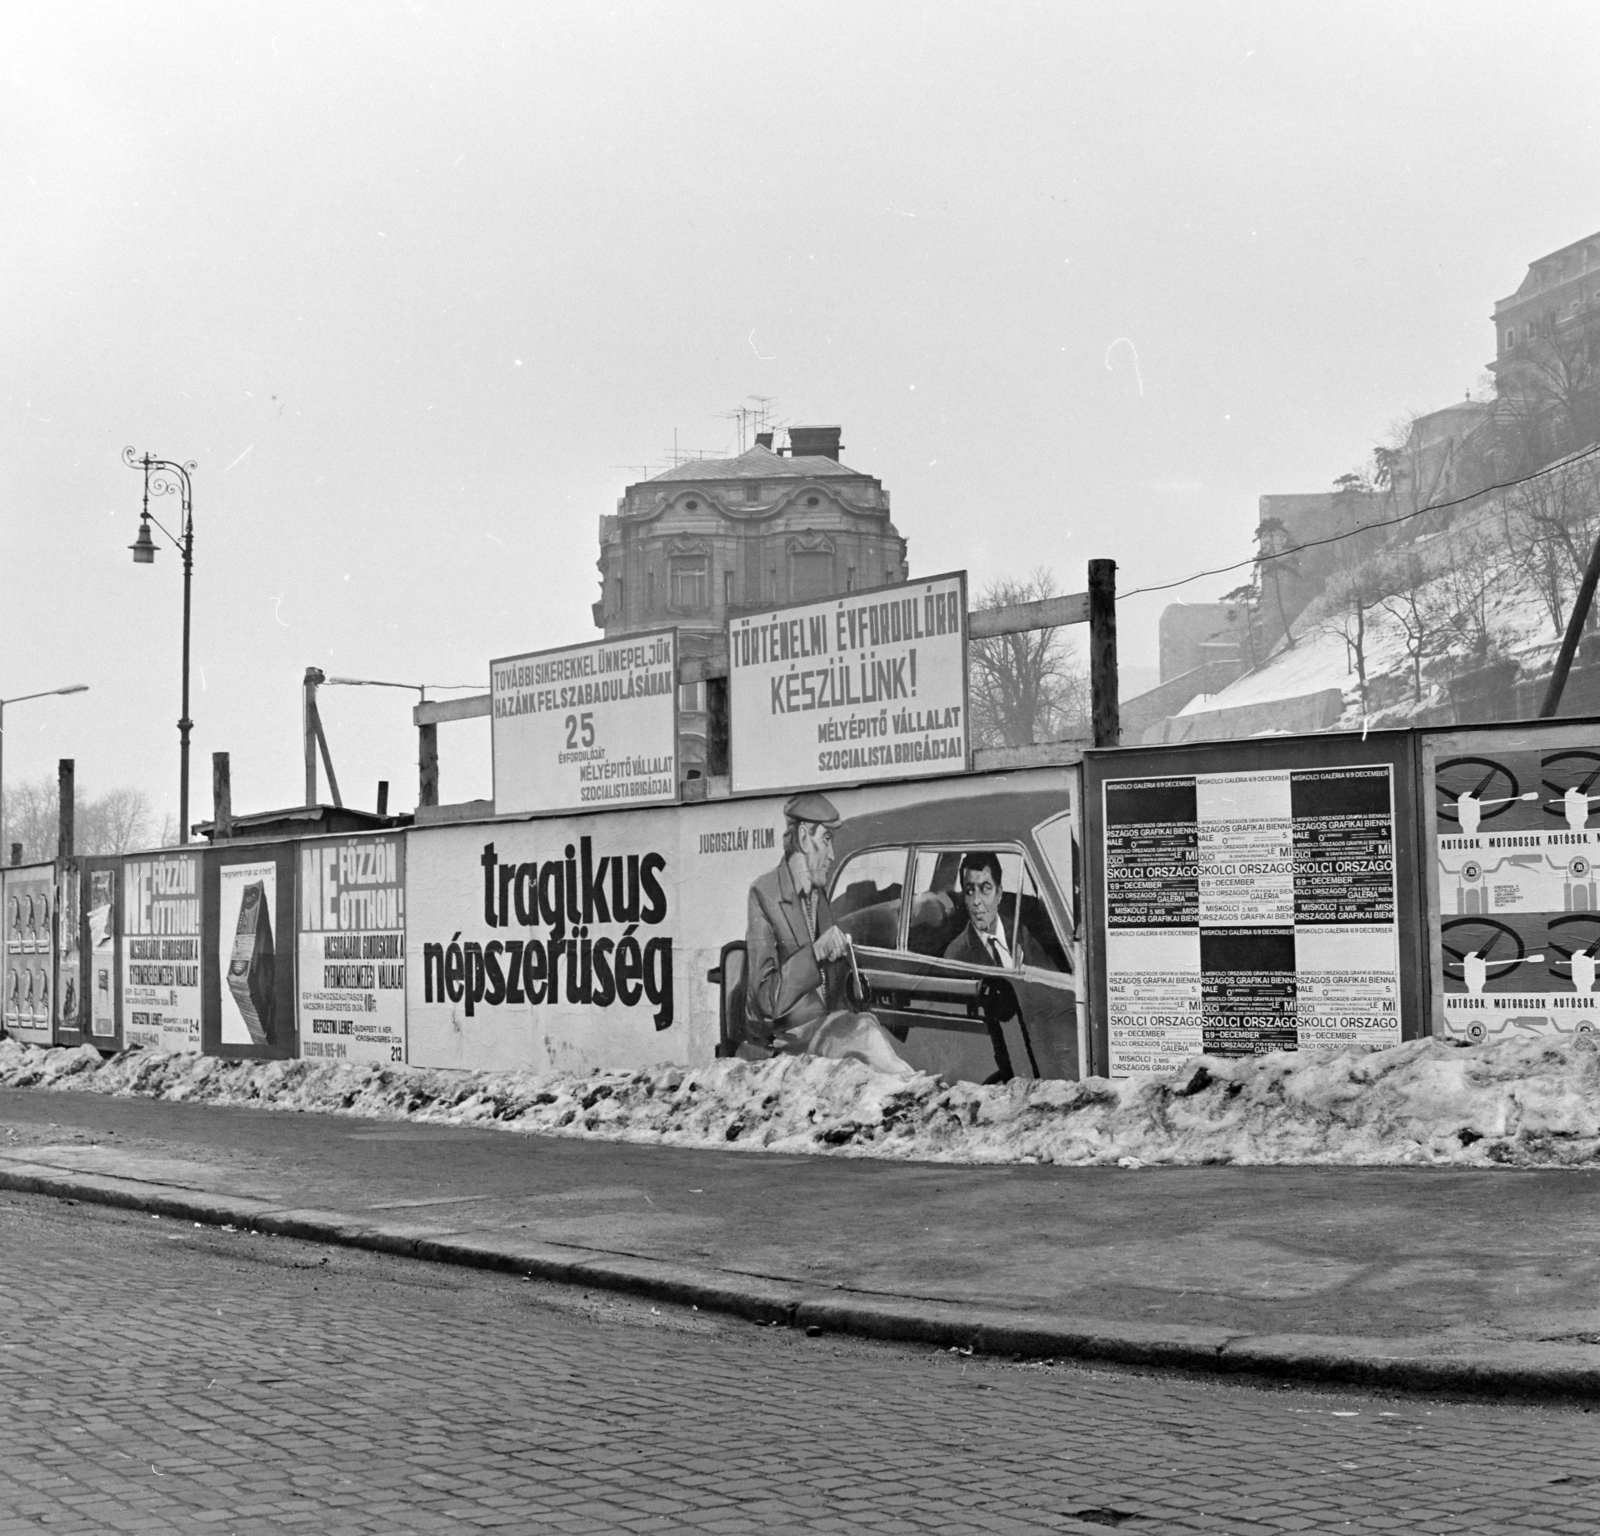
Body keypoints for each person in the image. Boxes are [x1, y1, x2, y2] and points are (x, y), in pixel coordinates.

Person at [743, 792, 913, 1076]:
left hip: (824, 1030)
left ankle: (911, 1086)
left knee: (868, 1029)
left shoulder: (817, 896)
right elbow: (765, 1000)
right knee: (865, 1037)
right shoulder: (764, 893)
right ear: (803, 837)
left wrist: (855, 988)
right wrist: (815, 954)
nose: (832, 855)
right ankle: (912, 1087)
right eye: (826, 839)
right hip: (787, 1041)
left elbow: (830, 988)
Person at [944, 851, 1024, 969]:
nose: (976, 901)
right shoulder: (956, 955)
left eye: (985, 889)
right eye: (969, 891)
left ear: (999, 893)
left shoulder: (1021, 933)